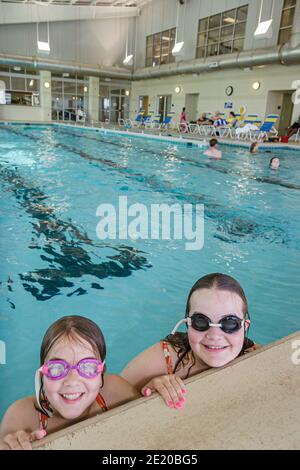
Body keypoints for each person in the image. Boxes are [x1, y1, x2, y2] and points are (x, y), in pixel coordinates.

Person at [0, 315, 139, 450]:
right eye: (57, 368)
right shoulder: (21, 418)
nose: (72, 381)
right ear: (42, 375)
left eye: (87, 366)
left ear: (101, 373)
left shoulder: (117, 393)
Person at [121, 273, 257, 409]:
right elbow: (108, 395)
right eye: (201, 321)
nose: (214, 336)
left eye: (229, 323)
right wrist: (146, 392)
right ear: (188, 323)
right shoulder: (165, 358)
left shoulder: (258, 356)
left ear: (245, 326)